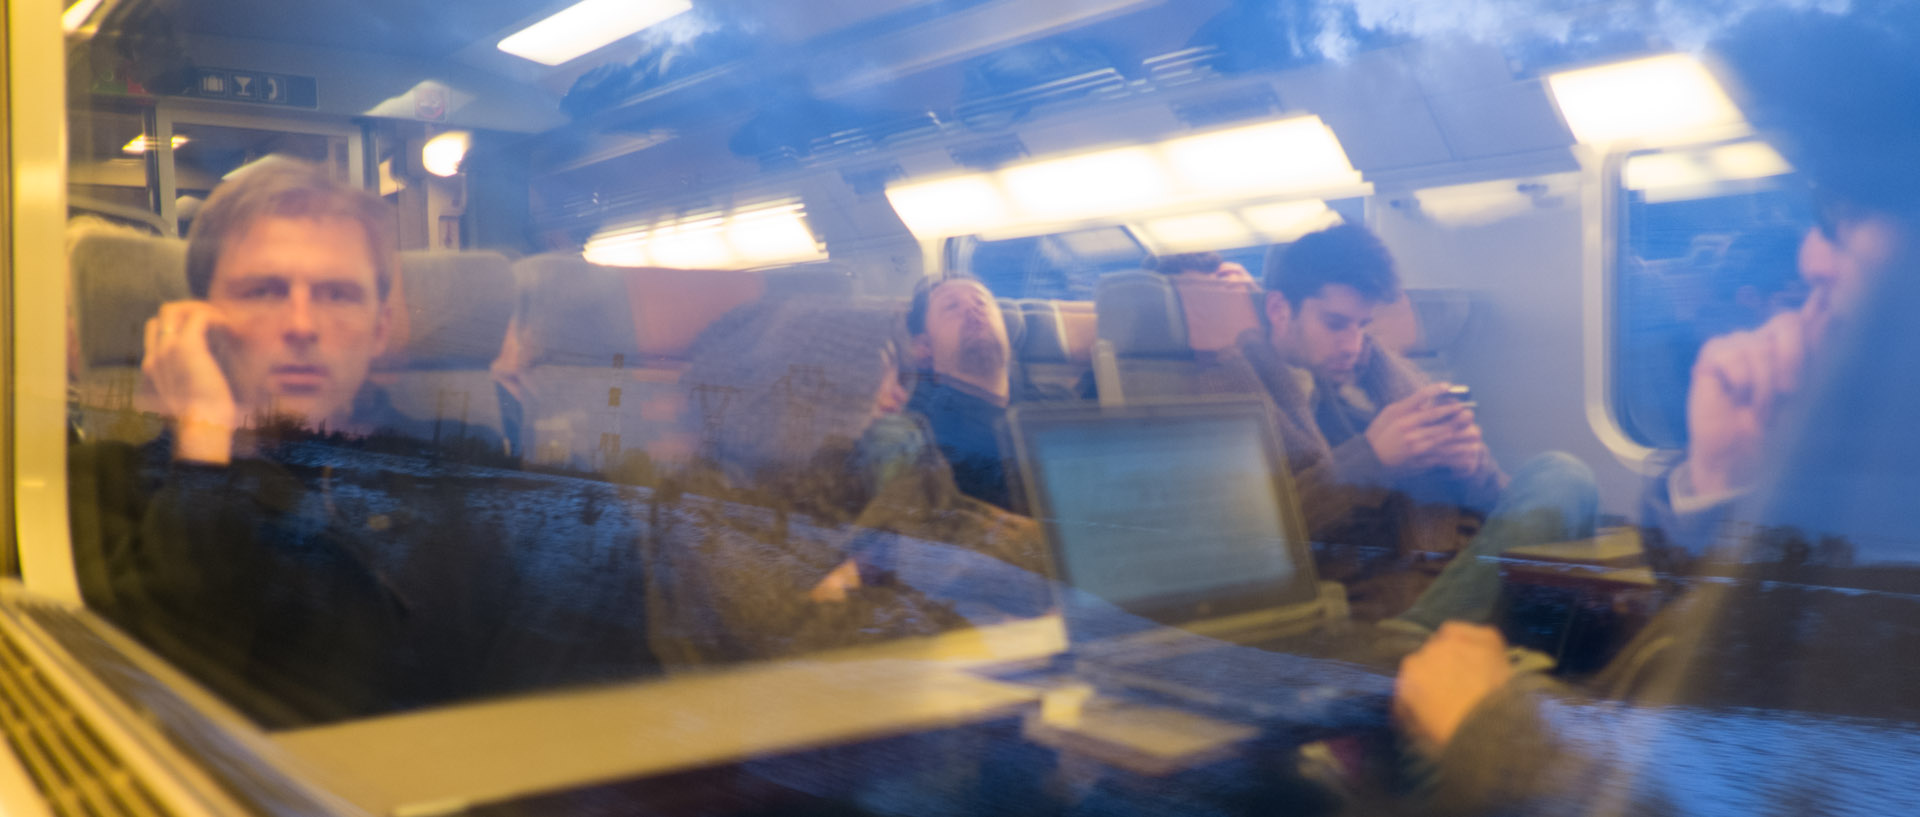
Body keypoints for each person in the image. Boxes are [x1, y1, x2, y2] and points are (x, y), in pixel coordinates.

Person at [1393, 8, 1920, 814]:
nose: (1813, 253)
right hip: (1389, 581)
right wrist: (1720, 479)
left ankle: (1406, 659)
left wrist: (1485, 727)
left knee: (1553, 477)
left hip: (1577, 728)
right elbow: (1743, 671)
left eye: (1847, 214)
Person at [67, 161, 646, 725]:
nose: (302, 325)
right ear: (200, 320)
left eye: (337, 294)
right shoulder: (105, 488)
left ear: (379, 328)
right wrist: (203, 447)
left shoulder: (469, 478)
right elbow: (144, 707)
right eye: (264, 290)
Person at [1200, 223, 1596, 625]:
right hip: (1387, 608)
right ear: (1280, 310)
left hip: (1457, 575)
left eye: (1363, 325)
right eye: (1336, 324)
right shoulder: (1235, 390)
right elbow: (1244, 543)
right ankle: (1425, 646)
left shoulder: (1387, 380)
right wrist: (1371, 459)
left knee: (1561, 475)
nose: (1353, 345)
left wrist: (1471, 468)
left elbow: (1496, 505)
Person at [643, 298, 1054, 668]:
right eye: (879, 374)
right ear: (820, 386)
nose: (897, 397)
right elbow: (807, 641)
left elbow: (971, 533)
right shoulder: (707, 500)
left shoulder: (863, 469)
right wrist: (966, 614)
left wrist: (1068, 558)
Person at [903, 274, 1068, 512]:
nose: (973, 311)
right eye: (952, 307)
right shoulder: (922, 432)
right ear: (924, 348)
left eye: (981, 302)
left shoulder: (1059, 403)